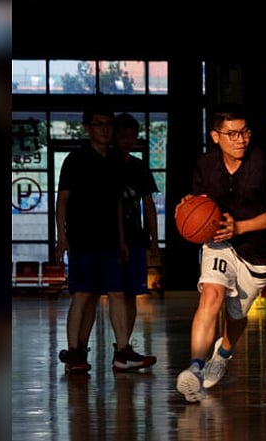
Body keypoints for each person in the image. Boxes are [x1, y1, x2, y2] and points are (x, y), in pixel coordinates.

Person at [175, 103, 266, 403]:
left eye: (245, 132)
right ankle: (195, 369)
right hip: (219, 242)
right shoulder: (205, 165)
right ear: (216, 136)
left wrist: (240, 227)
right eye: (233, 134)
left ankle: (223, 352)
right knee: (210, 295)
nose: (241, 139)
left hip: (258, 252)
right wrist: (189, 205)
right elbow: (201, 204)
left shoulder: (265, 164)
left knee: (236, 316)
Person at [55, 105, 135, 374]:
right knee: (83, 294)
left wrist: (122, 240)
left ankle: (123, 351)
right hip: (82, 237)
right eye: (99, 124)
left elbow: (116, 204)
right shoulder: (75, 160)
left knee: (117, 292)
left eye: (108, 124)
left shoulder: (114, 160)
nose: (104, 129)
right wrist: (62, 237)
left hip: (110, 239)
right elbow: (62, 199)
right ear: (88, 127)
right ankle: (75, 351)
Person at [112, 112, 158, 371]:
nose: (128, 140)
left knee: (130, 296)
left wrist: (154, 238)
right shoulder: (108, 165)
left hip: (135, 238)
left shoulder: (139, 167)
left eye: (132, 136)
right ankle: (116, 349)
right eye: (123, 135)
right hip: (109, 240)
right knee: (113, 294)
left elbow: (148, 204)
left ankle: (123, 348)